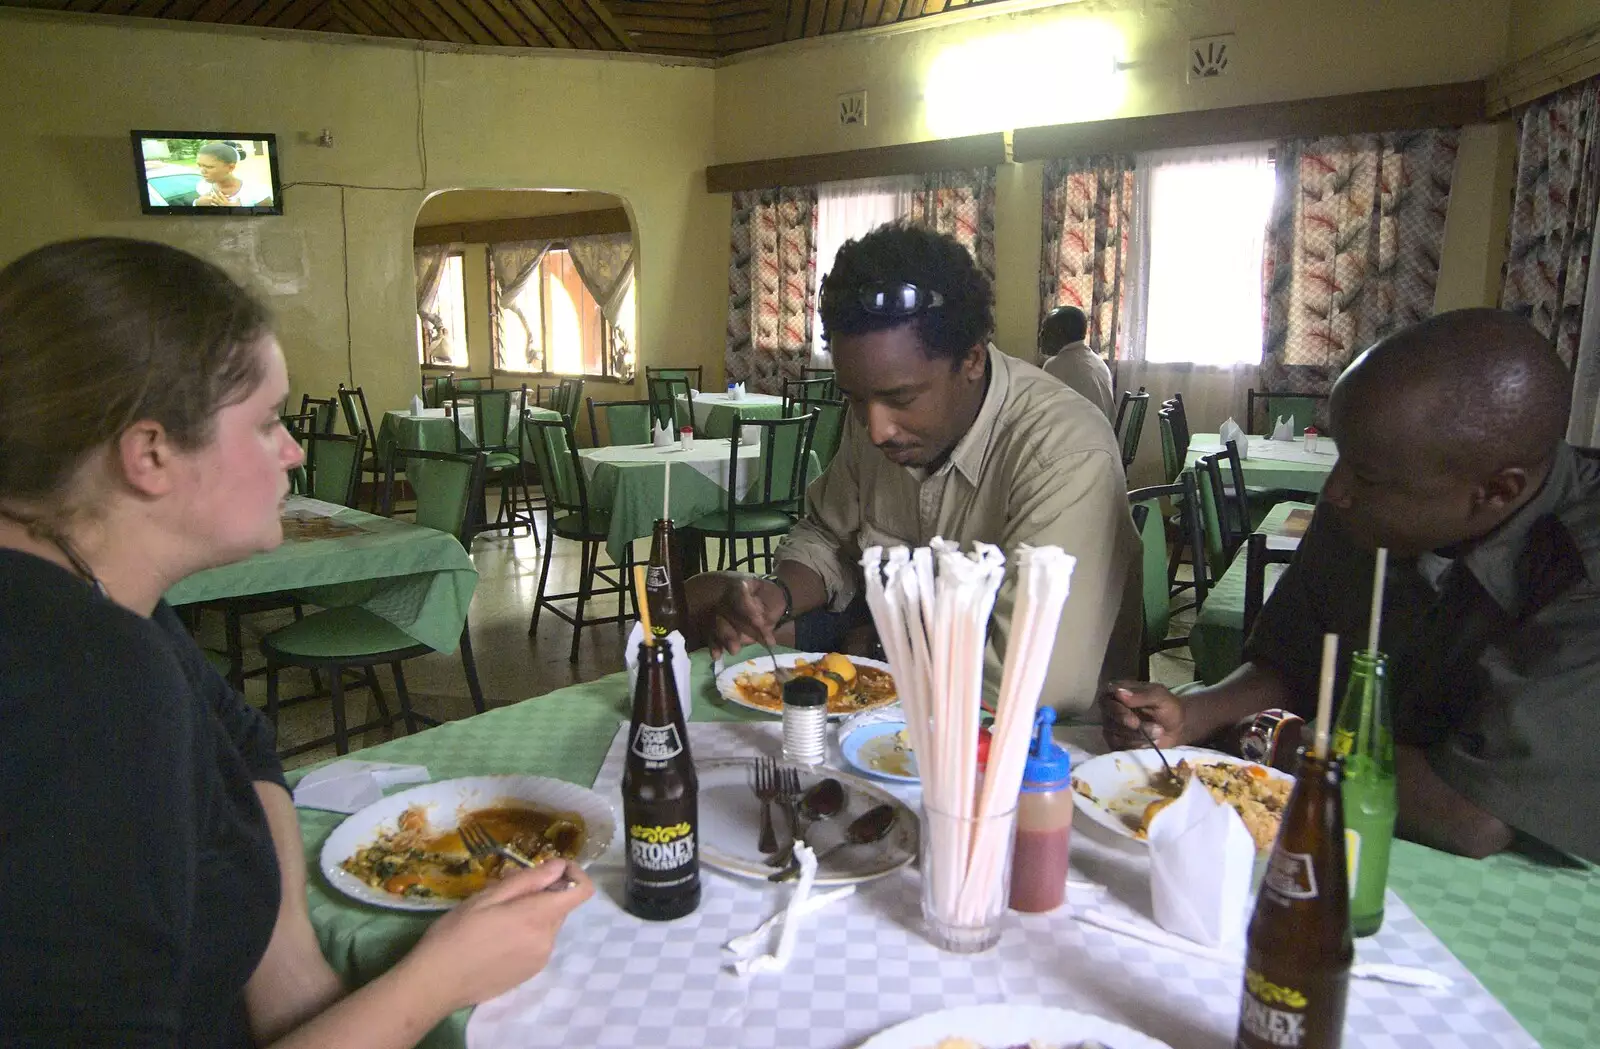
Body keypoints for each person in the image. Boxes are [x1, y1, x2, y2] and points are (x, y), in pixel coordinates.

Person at [0, 238, 592, 1047]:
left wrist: (287, 970)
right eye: (269, 423)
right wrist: (435, 981)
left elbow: (242, 748)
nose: (294, 451)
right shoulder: (80, 684)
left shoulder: (103, 595)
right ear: (149, 454)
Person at [1102, 309, 1600, 862]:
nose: (1335, 491)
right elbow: (1291, 661)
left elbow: (1470, 815)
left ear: (1496, 492)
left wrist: (1271, 738)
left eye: (1367, 475)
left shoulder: (1580, 575)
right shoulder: (1367, 510)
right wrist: (1193, 714)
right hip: (1340, 817)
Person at [686, 223, 1142, 714]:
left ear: (970, 359)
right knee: (701, 599)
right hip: (889, 655)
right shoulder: (881, 424)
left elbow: (1034, 684)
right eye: (856, 399)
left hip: (1021, 736)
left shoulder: (1061, 451)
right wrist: (778, 594)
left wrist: (877, 650)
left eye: (900, 398)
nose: (876, 429)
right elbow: (826, 534)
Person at [1038, 305, 1116, 423]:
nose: (1040, 336)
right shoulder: (1097, 362)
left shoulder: (1055, 365)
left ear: (1060, 333)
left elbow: (1040, 410)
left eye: (1045, 331)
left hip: (1077, 438)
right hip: (1104, 437)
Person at [194, 140, 273, 208]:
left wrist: (240, 211)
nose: (202, 171)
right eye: (199, 165)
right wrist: (197, 204)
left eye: (209, 167)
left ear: (231, 167)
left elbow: (271, 220)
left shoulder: (257, 190)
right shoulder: (202, 187)